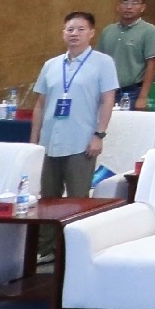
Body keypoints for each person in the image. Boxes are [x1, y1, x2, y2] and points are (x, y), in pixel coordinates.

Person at [30, 11, 119, 201]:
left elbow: (107, 100)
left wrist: (99, 135)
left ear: (91, 33)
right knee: (47, 199)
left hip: (81, 143)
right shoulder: (51, 65)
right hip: (49, 142)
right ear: (63, 33)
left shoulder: (103, 63)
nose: (74, 33)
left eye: (81, 29)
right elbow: (40, 104)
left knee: (78, 199)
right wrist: (34, 139)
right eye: (70, 29)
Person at [95, 0, 155, 108]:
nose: (129, 7)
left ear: (142, 7)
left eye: (135, 3)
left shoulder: (149, 31)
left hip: (132, 92)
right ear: (118, 6)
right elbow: (98, 61)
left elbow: (151, 65)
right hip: (106, 91)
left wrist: (143, 97)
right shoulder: (108, 30)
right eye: (125, 2)